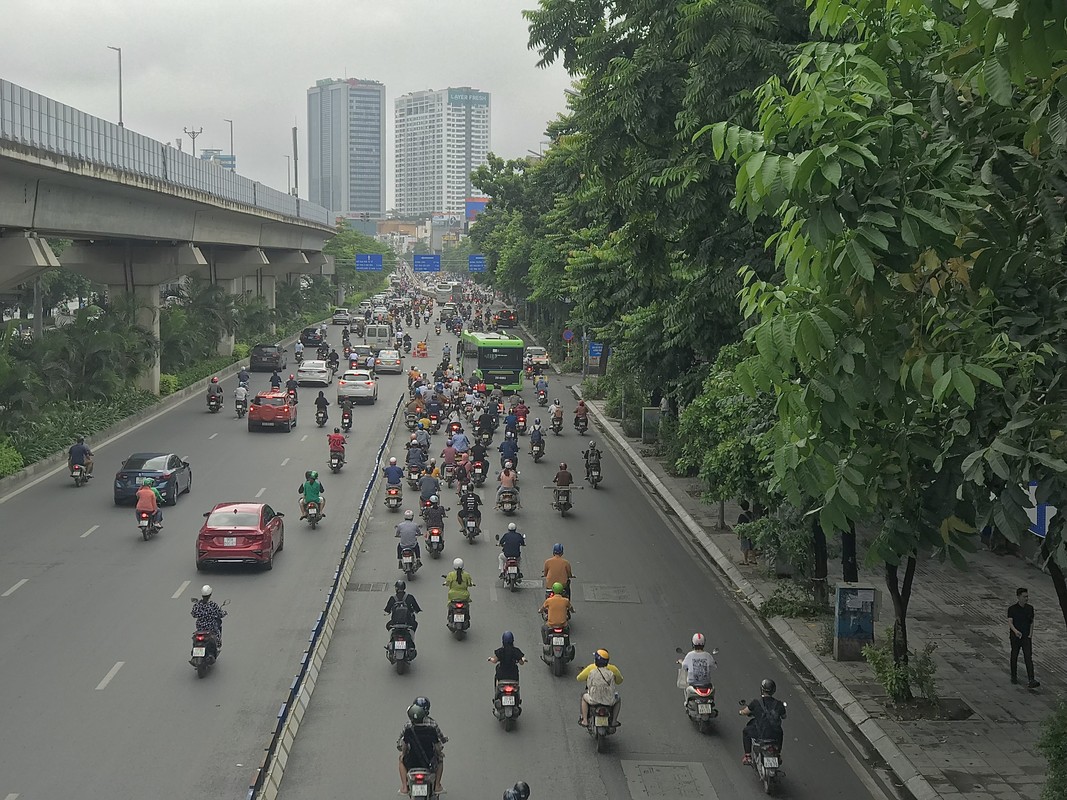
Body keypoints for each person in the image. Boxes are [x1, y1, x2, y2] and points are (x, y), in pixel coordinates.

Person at [397, 699, 444, 794]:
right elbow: (437, 745)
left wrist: (402, 753)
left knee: (401, 760)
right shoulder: (432, 727)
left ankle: (404, 787)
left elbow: (404, 746)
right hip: (429, 762)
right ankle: (437, 786)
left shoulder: (408, 728)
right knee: (440, 760)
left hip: (411, 762)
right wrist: (440, 754)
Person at [740, 678, 787, 765]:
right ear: (774, 690)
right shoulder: (779, 704)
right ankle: (778, 755)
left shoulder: (756, 703)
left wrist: (741, 712)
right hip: (775, 735)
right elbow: (784, 716)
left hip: (761, 734)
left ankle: (747, 757)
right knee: (780, 732)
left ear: (762, 689)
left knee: (746, 731)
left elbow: (745, 711)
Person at [577, 649, 623, 727]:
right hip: (609, 700)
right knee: (618, 699)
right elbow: (619, 681)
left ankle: (584, 720)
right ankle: (614, 721)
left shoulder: (591, 670)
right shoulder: (612, 671)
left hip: (593, 699)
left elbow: (582, 680)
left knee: (583, 696)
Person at [1008, 587, 1039, 688]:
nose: (1026, 599)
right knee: (1014, 655)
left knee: (1028, 657)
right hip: (1015, 636)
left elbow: (1031, 622)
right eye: (1024, 597)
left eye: (1027, 596)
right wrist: (1016, 631)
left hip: (1026, 636)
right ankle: (1014, 676)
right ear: (1018, 597)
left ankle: (1031, 679)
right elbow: (1010, 622)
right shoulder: (1012, 609)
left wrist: (1030, 634)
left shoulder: (1029, 608)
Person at [189, 584, 226, 657]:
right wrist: (224, 613)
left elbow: (193, 614)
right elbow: (219, 614)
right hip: (211, 628)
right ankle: (217, 646)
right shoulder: (212, 605)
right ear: (210, 594)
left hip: (200, 628)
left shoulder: (197, 605)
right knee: (217, 634)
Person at [678, 632, 717, 697]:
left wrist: (681, 661)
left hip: (692, 684)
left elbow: (684, 666)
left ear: (693, 643)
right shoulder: (708, 655)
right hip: (706, 684)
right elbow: (714, 666)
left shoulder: (689, 655)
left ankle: (687, 702)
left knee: (686, 689)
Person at [736, 499, 757, 565]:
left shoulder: (741, 516)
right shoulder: (751, 514)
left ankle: (745, 560)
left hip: (744, 533)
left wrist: (738, 535)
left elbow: (739, 526)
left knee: (745, 547)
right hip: (751, 532)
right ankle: (754, 559)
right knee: (752, 546)